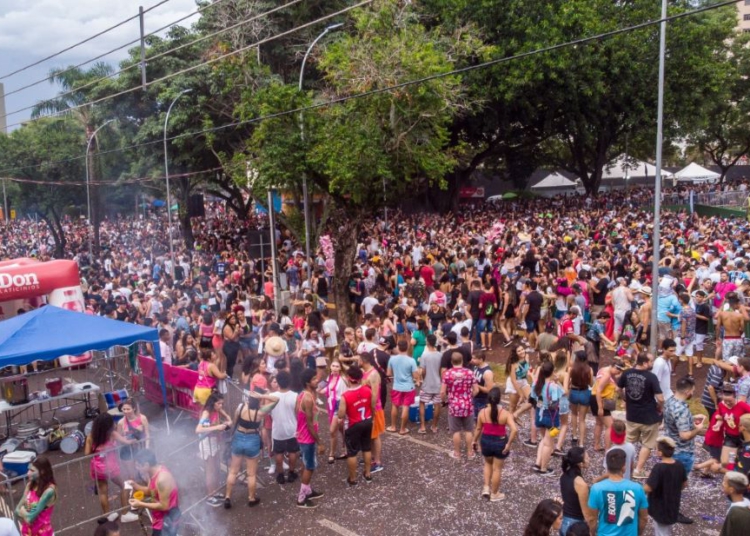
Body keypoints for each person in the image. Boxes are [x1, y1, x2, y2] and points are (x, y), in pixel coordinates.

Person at [223, 389, 278, 509]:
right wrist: (263, 395)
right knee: (251, 474)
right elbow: (276, 400)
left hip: (238, 437)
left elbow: (235, 421)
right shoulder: (260, 412)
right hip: (252, 440)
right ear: (258, 400)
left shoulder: (241, 407)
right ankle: (251, 498)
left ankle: (227, 497)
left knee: (233, 471)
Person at [617, 352, 663, 480]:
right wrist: (661, 407)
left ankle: (622, 467)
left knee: (629, 441)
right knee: (648, 444)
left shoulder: (626, 373)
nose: (652, 364)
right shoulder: (651, 377)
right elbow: (660, 397)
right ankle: (638, 469)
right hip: (649, 417)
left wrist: (625, 399)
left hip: (632, 415)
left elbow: (618, 389)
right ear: (644, 363)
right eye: (651, 361)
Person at [588, 449, 649, 536]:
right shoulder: (637, 488)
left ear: (608, 467)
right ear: (623, 467)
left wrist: (592, 533)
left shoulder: (596, 488)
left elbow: (592, 518)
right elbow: (643, 518)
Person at [85, 413, 135, 518]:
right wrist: (133, 440)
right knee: (125, 485)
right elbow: (126, 442)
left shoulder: (90, 436)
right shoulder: (112, 434)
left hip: (97, 468)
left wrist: (98, 452)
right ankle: (125, 514)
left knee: (103, 492)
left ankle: (108, 515)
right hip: (110, 468)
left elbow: (87, 453)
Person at [472, 386, 517, 501]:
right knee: (497, 469)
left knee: (487, 464)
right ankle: (494, 493)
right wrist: (509, 444)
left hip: (486, 441)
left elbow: (478, 429)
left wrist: (474, 440)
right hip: (500, 442)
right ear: (499, 399)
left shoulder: (482, 412)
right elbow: (514, 429)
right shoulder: (505, 414)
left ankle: (486, 488)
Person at [128, 449, 180, 536]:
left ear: (146, 465)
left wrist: (140, 504)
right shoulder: (151, 472)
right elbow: (150, 491)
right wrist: (134, 485)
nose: (137, 469)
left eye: (138, 466)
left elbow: (164, 506)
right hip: (159, 517)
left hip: (168, 518)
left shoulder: (162, 479)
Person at [338, 364, 374, 487]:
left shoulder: (345, 396)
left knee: (352, 452)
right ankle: (368, 473)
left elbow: (341, 414)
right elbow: (372, 405)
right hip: (367, 421)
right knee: (367, 448)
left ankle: (353, 478)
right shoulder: (367, 390)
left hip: (353, 425)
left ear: (348, 378)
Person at [643, 437, 687, 536]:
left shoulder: (659, 468)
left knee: (661, 531)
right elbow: (684, 484)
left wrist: (638, 490)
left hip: (660, 506)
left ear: (660, 452)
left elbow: (649, 487)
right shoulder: (679, 465)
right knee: (664, 529)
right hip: (673, 504)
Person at [194, 392, 232, 507]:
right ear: (213, 403)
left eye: (222, 403)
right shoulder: (206, 412)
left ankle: (215, 491)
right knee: (210, 469)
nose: (221, 406)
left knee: (215, 467)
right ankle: (210, 496)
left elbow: (227, 416)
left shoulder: (217, 409)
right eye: (219, 403)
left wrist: (228, 421)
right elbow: (198, 429)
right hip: (207, 443)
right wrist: (218, 427)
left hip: (214, 441)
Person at [295, 369, 324, 509]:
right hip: (308, 439)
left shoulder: (304, 395)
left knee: (307, 464)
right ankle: (301, 498)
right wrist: (320, 443)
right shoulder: (307, 398)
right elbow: (310, 424)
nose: (317, 380)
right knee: (309, 467)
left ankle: (308, 490)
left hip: (303, 436)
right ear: (307, 383)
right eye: (313, 379)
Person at [442, 351, 477, 459]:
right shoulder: (470, 373)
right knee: (468, 430)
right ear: (462, 361)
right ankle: (470, 453)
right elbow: (476, 389)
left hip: (454, 405)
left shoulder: (447, 374)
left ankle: (457, 453)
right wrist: (470, 396)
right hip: (467, 404)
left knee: (456, 430)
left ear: (452, 361)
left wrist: (444, 401)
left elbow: (442, 392)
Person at [532, 360, 563, 476]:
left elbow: (532, 398)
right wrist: (557, 381)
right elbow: (557, 400)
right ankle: (544, 468)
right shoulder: (553, 386)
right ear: (552, 371)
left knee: (544, 440)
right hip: (551, 416)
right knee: (549, 443)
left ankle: (538, 463)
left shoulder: (536, 384)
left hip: (539, 413)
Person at [270, 370, 301, 484]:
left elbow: (268, 412)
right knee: (293, 452)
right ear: (289, 382)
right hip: (292, 429)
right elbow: (298, 413)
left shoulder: (271, 396)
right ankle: (292, 473)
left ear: (277, 382)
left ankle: (280, 475)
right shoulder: (295, 396)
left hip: (277, 429)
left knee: (279, 453)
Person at [15, 457, 56, 536]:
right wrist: (25, 514)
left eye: (32, 470)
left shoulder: (49, 491)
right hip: (27, 532)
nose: (28, 473)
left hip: (43, 533)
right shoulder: (29, 485)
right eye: (29, 469)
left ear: (42, 472)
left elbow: (30, 518)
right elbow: (16, 511)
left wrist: (23, 511)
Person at [559, 447, 596, 535]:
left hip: (564, 522)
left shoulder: (564, 475)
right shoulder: (580, 484)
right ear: (580, 464)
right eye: (587, 458)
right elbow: (587, 515)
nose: (589, 459)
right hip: (575, 527)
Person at [386, 339, 419, 435]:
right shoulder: (411, 360)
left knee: (395, 406)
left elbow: (388, 373)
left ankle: (393, 426)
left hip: (396, 386)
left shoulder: (392, 359)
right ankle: (402, 429)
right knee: (406, 407)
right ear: (407, 347)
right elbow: (415, 376)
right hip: (409, 387)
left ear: (398, 347)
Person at [319, 359, 348, 462]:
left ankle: (334, 452)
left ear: (340, 368)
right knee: (340, 429)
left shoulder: (343, 379)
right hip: (331, 405)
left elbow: (347, 393)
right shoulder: (329, 378)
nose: (335, 368)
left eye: (337, 366)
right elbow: (320, 389)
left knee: (333, 430)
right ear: (330, 367)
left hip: (340, 405)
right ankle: (342, 449)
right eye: (333, 366)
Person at [117, 400, 150, 481]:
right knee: (132, 475)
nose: (125, 411)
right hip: (127, 451)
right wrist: (125, 439)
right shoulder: (120, 423)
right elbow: (118, 439)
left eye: (128, 409)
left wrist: (147, 448)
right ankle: (135, 492)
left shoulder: (142, 418)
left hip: (141, 448)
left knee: (145, 472)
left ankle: (151, 490)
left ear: (134, 408)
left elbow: (147, 434)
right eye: (124, 409)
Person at [418, 334, 443, 434]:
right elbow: (441, 370)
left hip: (427, 384)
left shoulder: (424, 355)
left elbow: (423, 371)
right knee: (437, 405)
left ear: (427, 342)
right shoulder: (440, 355)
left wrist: (423, 379)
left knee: (422, 403)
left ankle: (423, 426)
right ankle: (434, 426)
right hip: (437, 384)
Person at [567, 350, 592, 448]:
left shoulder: (571, 369)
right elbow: (591, 384)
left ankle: (574, 435)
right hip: (584, 392)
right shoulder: (589, 369)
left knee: (573, 414)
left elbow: (568, 381)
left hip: (573, 391)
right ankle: (581, 442)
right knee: (582, 419)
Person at [720, 472, 750, 536]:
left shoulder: (735, 511)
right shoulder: (747, 501)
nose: (722, 484)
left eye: (725, 482)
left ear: (731, 490)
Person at [471, 350, 494, 418]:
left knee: (481, 420)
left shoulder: (487, 372)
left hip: (483, 401)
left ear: (480, 360)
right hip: (475, 397)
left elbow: (489, 390)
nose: (472, 360)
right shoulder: (476, 367)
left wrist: (476, 385)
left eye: (474, 358)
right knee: (475, 419)